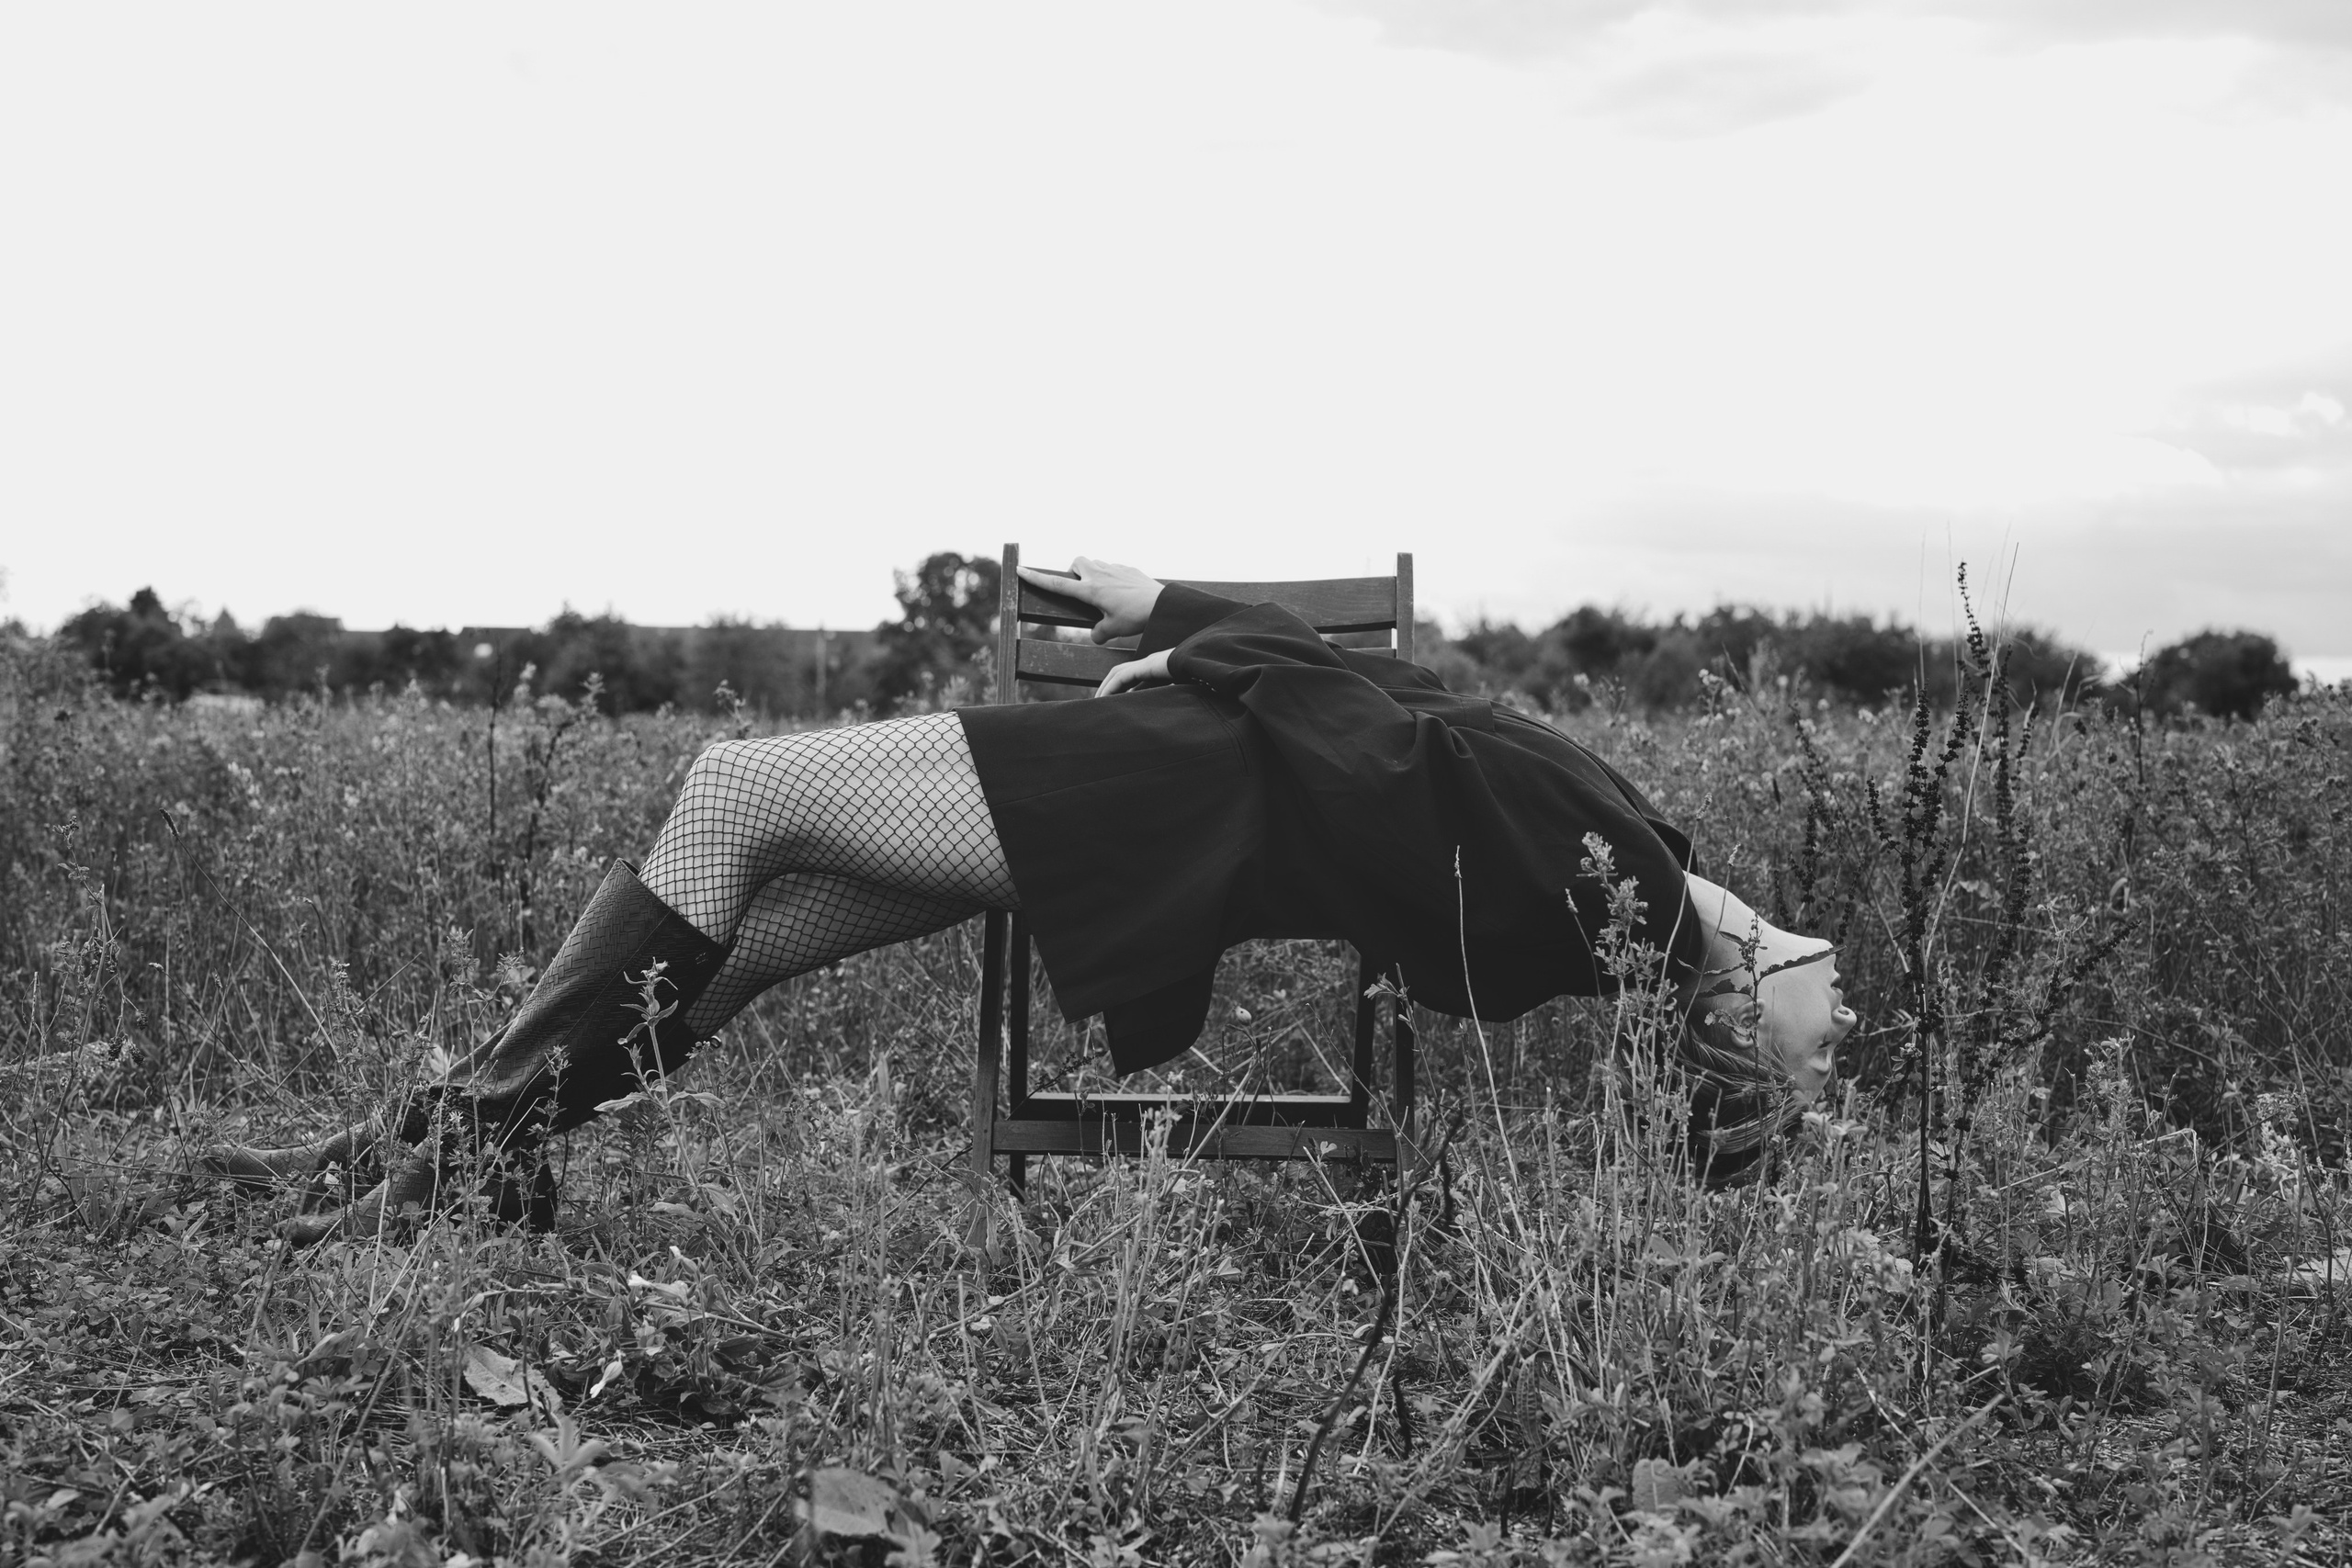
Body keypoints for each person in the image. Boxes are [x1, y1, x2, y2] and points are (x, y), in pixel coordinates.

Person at [209, 558, 1857, 1240]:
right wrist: (1171, 603)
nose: (1832, 995)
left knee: (733, 792)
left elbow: (1378, 757)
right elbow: (1415, 718)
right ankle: (435, 1143)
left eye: (1806, 1016)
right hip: (1172, 802)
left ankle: (468, 1146)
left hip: (1153, 806)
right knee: (761, 926)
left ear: (1741, 1001)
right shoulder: (1628, 883)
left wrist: (1186, 652)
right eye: (1823, 1009)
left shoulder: (1622, 880)